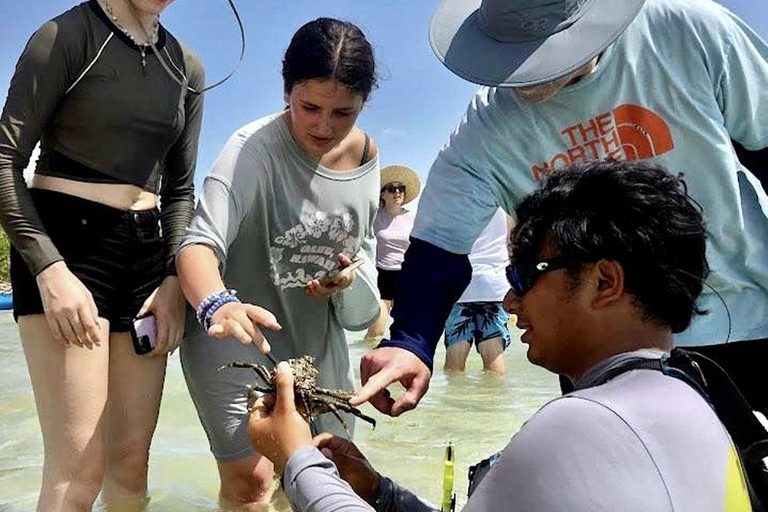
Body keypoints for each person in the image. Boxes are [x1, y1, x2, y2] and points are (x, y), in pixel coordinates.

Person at [248, 161, 755, 512]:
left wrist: (295, 457)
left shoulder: (584, 424)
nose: (511, 302)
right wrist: (379, 492)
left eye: (525, 277)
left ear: (604, 281)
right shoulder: (697, 401)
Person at [353, 0, 768, 418]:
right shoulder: (485, 133)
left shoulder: (688, 31)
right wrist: (411, 342)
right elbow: (438, 247)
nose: (522, 73)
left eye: (538, 53)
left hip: (745, 317)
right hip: (596, 351)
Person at [0, 1, 203, 510]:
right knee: (77, 477)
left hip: (148, 260)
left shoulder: (187, 65)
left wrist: (174, 279)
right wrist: (48, 268)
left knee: (132, 468)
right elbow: (5, 160)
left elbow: (180, 190)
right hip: (66, 248)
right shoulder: (65, 35)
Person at [175, 18, 381, 508]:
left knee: (327, 477)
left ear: (364, 104)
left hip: (317, 344)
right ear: (285, 90)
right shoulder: (251, 150)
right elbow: (196, 247)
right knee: (253, 483)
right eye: (309, 107)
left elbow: (362, 309)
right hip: (236, 338)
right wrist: (218, 304)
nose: (324, 126)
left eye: (343, 113)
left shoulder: (369, 157)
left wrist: (347, 281)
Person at [443, 208, 511, 373]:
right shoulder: (503, 202)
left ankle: (453, 399)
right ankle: (494, 398)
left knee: (455, 356)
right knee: (493, 354)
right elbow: (513, 241)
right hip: (494, 284)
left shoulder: (457, 199)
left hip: (460, 282)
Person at [364, 165, 420, 340]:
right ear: (382, 194)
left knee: (407, 331)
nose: (397, 192)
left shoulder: (413, 218)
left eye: (401, 189)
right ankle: (363, 363)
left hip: (408, 276)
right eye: (392, 188)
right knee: (375, 332)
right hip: (382, 277)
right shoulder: (373, 217)